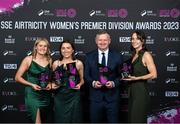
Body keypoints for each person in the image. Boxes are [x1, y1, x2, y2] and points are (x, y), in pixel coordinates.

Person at [85, 30, 123, 123]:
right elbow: (86, 75)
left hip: (112, 99)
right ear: (96, 41)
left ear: (109, 41)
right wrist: (93, 83)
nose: (102, 42)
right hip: (95, 99)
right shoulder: (89, 56)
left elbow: (122, 76)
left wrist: (114, 83)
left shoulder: (117, 56)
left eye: (105, 40)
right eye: (100, 40)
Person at [15, 38, 53, 123]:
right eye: (40, 45)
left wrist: (50, 84)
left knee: (43, 120)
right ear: (36, 47)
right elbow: (17, 77)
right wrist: (31, 84)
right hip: (32, 94)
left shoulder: (49, 60)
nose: (42, 48)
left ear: (47, 48)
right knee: (37, 120)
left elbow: (49, 77)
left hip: (45, 94)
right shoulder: (28, 59)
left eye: (45, 46)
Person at [123, 30, 157, 123]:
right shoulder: (134, 55)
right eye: (132, 39)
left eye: (137, 38)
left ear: (142, 41)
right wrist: (126, 76)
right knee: (132, 119)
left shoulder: (146, 55)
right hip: (132, 92)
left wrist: (137, 78)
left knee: (137, 120)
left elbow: (154, 74)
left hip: (140, 92)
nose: (134, 41)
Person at [51, 40, 84, 123]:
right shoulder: (56, 63)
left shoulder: (78, 63)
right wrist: (52, 84)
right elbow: (52, 79)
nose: (65, 50)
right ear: (60, 50)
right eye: (63, 48)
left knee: (74, 118)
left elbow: (82, 79)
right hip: (59, 96)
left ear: (72, 50)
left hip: (73, 95)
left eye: (68, 48)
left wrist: (80, 84)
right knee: (60, 119)